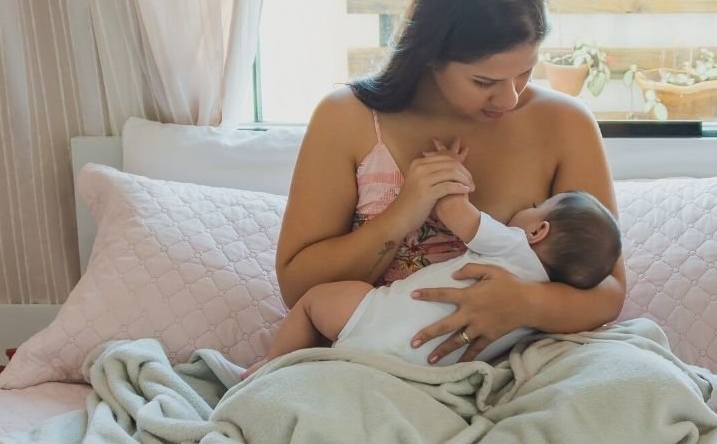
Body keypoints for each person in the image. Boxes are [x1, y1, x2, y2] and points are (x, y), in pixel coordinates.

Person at [274, 0, 625, 365]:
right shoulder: (347, 119)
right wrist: (405, 212)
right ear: (430, 55)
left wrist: (526, 304)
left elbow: (608, 292)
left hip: (520, 370)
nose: (510, 98)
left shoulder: (565, 123)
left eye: (525, 72)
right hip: (373, 366)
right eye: (484, 82)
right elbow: (298, 288)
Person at [251, 137, 620, 375]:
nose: (530, 207)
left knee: (316, 302)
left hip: (376, 321)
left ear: (538, 231)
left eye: (538, 206)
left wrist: (448, 172)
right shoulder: (551, 303)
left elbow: (452, 212)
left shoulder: (512, 244)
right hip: (430, 371)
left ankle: (269, 369)